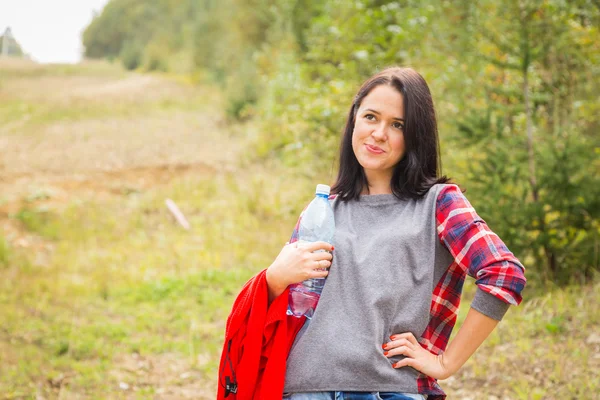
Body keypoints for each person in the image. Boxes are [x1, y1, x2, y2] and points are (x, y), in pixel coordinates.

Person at [219, 67, 526, 400]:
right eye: (370, 117)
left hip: (388, 389)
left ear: (415, 136)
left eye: (397, 125)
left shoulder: (439, 204)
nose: (379, 133)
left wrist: (446, 362)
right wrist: (275, 279)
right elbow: (291, 309)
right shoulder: (324, 209)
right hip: (304, 389)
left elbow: (503, 273)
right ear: (354, 121)